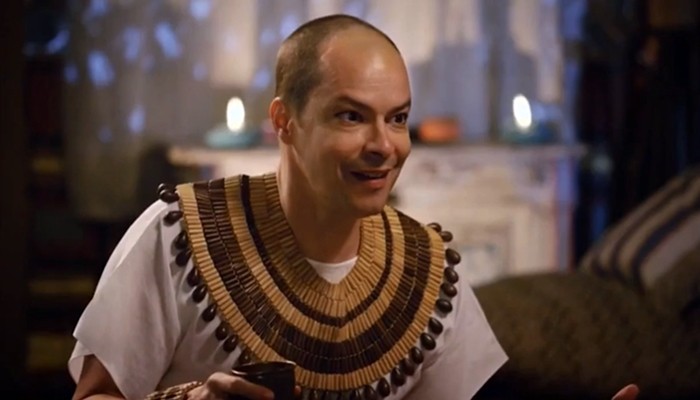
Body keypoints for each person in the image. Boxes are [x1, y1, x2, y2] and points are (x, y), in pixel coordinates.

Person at [70, 14, 637, 400]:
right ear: (284, 121)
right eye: (351, 116)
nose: (384, 146)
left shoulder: (427, 273)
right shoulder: (179, 235)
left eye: (398, 118)